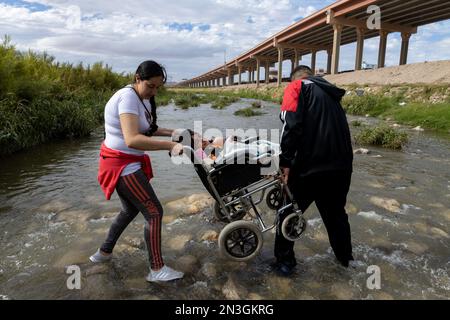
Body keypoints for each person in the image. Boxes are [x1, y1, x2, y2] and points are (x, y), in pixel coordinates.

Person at [91, 60, 185, 282]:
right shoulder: (127, 98)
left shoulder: (139, 98)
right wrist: (171, 146)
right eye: (150, 86)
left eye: (158, 88)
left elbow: (147, 130)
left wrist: (175, 133)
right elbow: (132, 139)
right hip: (122, 165)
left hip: (123, 162)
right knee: (154, 212)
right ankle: (156, 269)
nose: (153, 92)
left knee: (129, 210)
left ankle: (103, 254)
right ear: (137, 78)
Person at [273, 65, 354, 276]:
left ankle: (285, 265)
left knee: (287, 211)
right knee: (336, 215)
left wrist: (285, 163)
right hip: (342, 167)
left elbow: (290, 124)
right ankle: (346, 261)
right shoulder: (332, 94)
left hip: (310, 167)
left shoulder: (297, 87)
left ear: (294, 80)